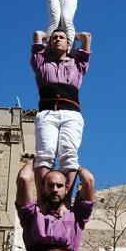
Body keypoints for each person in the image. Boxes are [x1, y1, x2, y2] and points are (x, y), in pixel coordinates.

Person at [31, 28, 91, 195]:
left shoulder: (77, 63)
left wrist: (72, 35)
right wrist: (46, 36)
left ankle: (65, 199)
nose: (57, 39)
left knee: (69, 155)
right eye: (54, 38)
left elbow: (86, 37)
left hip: (71, 114)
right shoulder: (41, 62)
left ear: (68, 44)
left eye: (61, 37)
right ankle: (43, 199)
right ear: (49, 43)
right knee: (44, 155)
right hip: (47, 114)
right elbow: (37, 35)